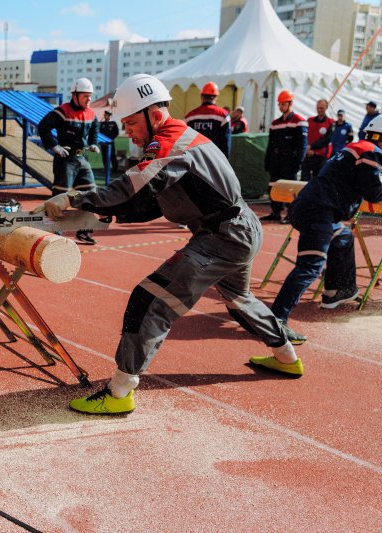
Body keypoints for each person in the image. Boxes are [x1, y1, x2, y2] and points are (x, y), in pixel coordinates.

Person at [32, 74, 301, 415]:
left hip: (222, 236)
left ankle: (119, 392)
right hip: (238, 228)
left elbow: (134, 190)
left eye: (131, 122)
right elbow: (150, 204)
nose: (127, 130)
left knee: (149, 301)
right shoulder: (180, 140)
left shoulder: (170, 142)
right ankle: (287, 357)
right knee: (240, 300)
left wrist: (77, 198)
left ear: (153, 116)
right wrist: (105, 213)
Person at [269, 117, 382, 331]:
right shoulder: (371, 152)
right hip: (318, 212)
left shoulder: (355, 147)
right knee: (310, 267)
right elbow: (374, 193)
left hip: (307, 206)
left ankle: (336, 290)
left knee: (343, 236)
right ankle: (275, 322)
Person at [38, 77, 100, 244]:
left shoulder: (91, 113)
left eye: (90, 96)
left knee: (90, 194)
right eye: (85, 96)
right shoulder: (62, 111)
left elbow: (94, 129)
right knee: (61, 197)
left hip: (82, 159)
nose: (89, 100)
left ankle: (84, 231)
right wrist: (54, 146)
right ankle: (54, 234)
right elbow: (43, 126)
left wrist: (94, 143)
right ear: (75, 96)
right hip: (65, 160)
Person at [262, 91, 307, 222]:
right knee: (273, 186)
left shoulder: (299, 121)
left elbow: (302, 145)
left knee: (289, 188)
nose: (281, 107)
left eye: (284, 104)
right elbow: (270, 144)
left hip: (290, 159)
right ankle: (275, 212)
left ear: (290, 103)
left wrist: (298, 163)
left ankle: (291, 214)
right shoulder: (275, 123)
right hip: (276, 159)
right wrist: (267, 161)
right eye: (280, 104)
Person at [184, 82, 231, 158]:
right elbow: (226, 140)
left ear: (202, 97)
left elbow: (184, 139)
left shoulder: (190, 116)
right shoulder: (223, 115)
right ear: (216, 98)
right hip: (215, 157)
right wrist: (225, 159)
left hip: (195, 157)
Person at [300, 99, 334, 182]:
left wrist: (311, 147)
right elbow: (304, 136)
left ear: (326, 107)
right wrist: (307, 149)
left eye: (321, 108)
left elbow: (327, 139)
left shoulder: (331, 122)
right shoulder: (309, 121)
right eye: (318, 108)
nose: (319, 110)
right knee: (304, 179)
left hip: (320, 156)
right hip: (308, 155)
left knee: (318, 180)